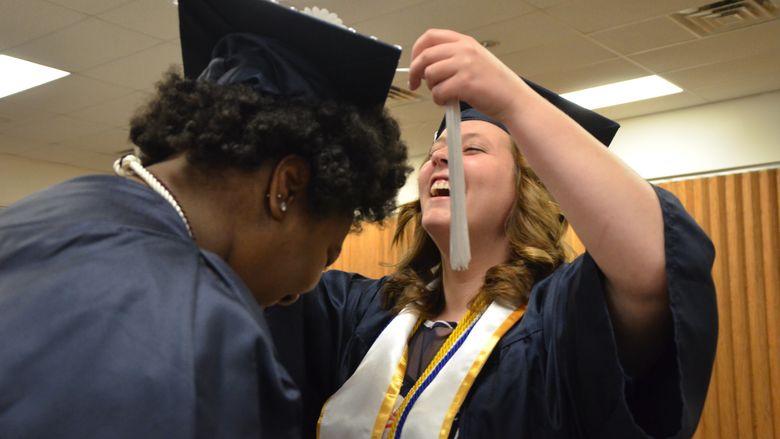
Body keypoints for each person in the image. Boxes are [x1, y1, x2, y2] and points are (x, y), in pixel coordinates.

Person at [266, 29, 717, 438]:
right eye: (434, 152)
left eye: (471, 150)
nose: (440, 160)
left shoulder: (560, 322)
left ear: (531, 188)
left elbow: (655, 262)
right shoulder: (361, 314)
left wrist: (514, 102)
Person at [0, 0, 409, 437]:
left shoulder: (44, 214)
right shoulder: (204, 337)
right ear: (286, 188)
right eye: (327, 252)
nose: (300, 293)